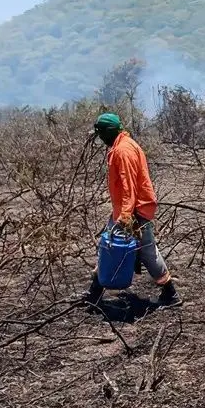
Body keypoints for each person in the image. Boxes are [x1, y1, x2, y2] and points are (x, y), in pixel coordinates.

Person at [83, 113, 182, 308]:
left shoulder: (123, 151)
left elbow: (129, 187)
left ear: (108, 133)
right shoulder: (124, 145)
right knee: (107, 246)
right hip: (128, 210)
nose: (100, 139)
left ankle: (170, 293)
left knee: (145, 251)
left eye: (101, 134)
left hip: (134, 211)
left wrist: (126, 216)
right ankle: (94, 292)